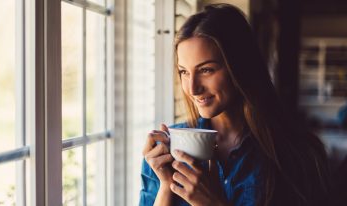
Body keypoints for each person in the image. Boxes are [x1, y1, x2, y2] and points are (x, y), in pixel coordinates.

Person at [140, 4, 331, 206]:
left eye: (206, 70)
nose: (192, 88)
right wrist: (166, 186)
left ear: (239, 67)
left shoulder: (297, 154)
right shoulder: (164, 152)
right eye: (184, 72)